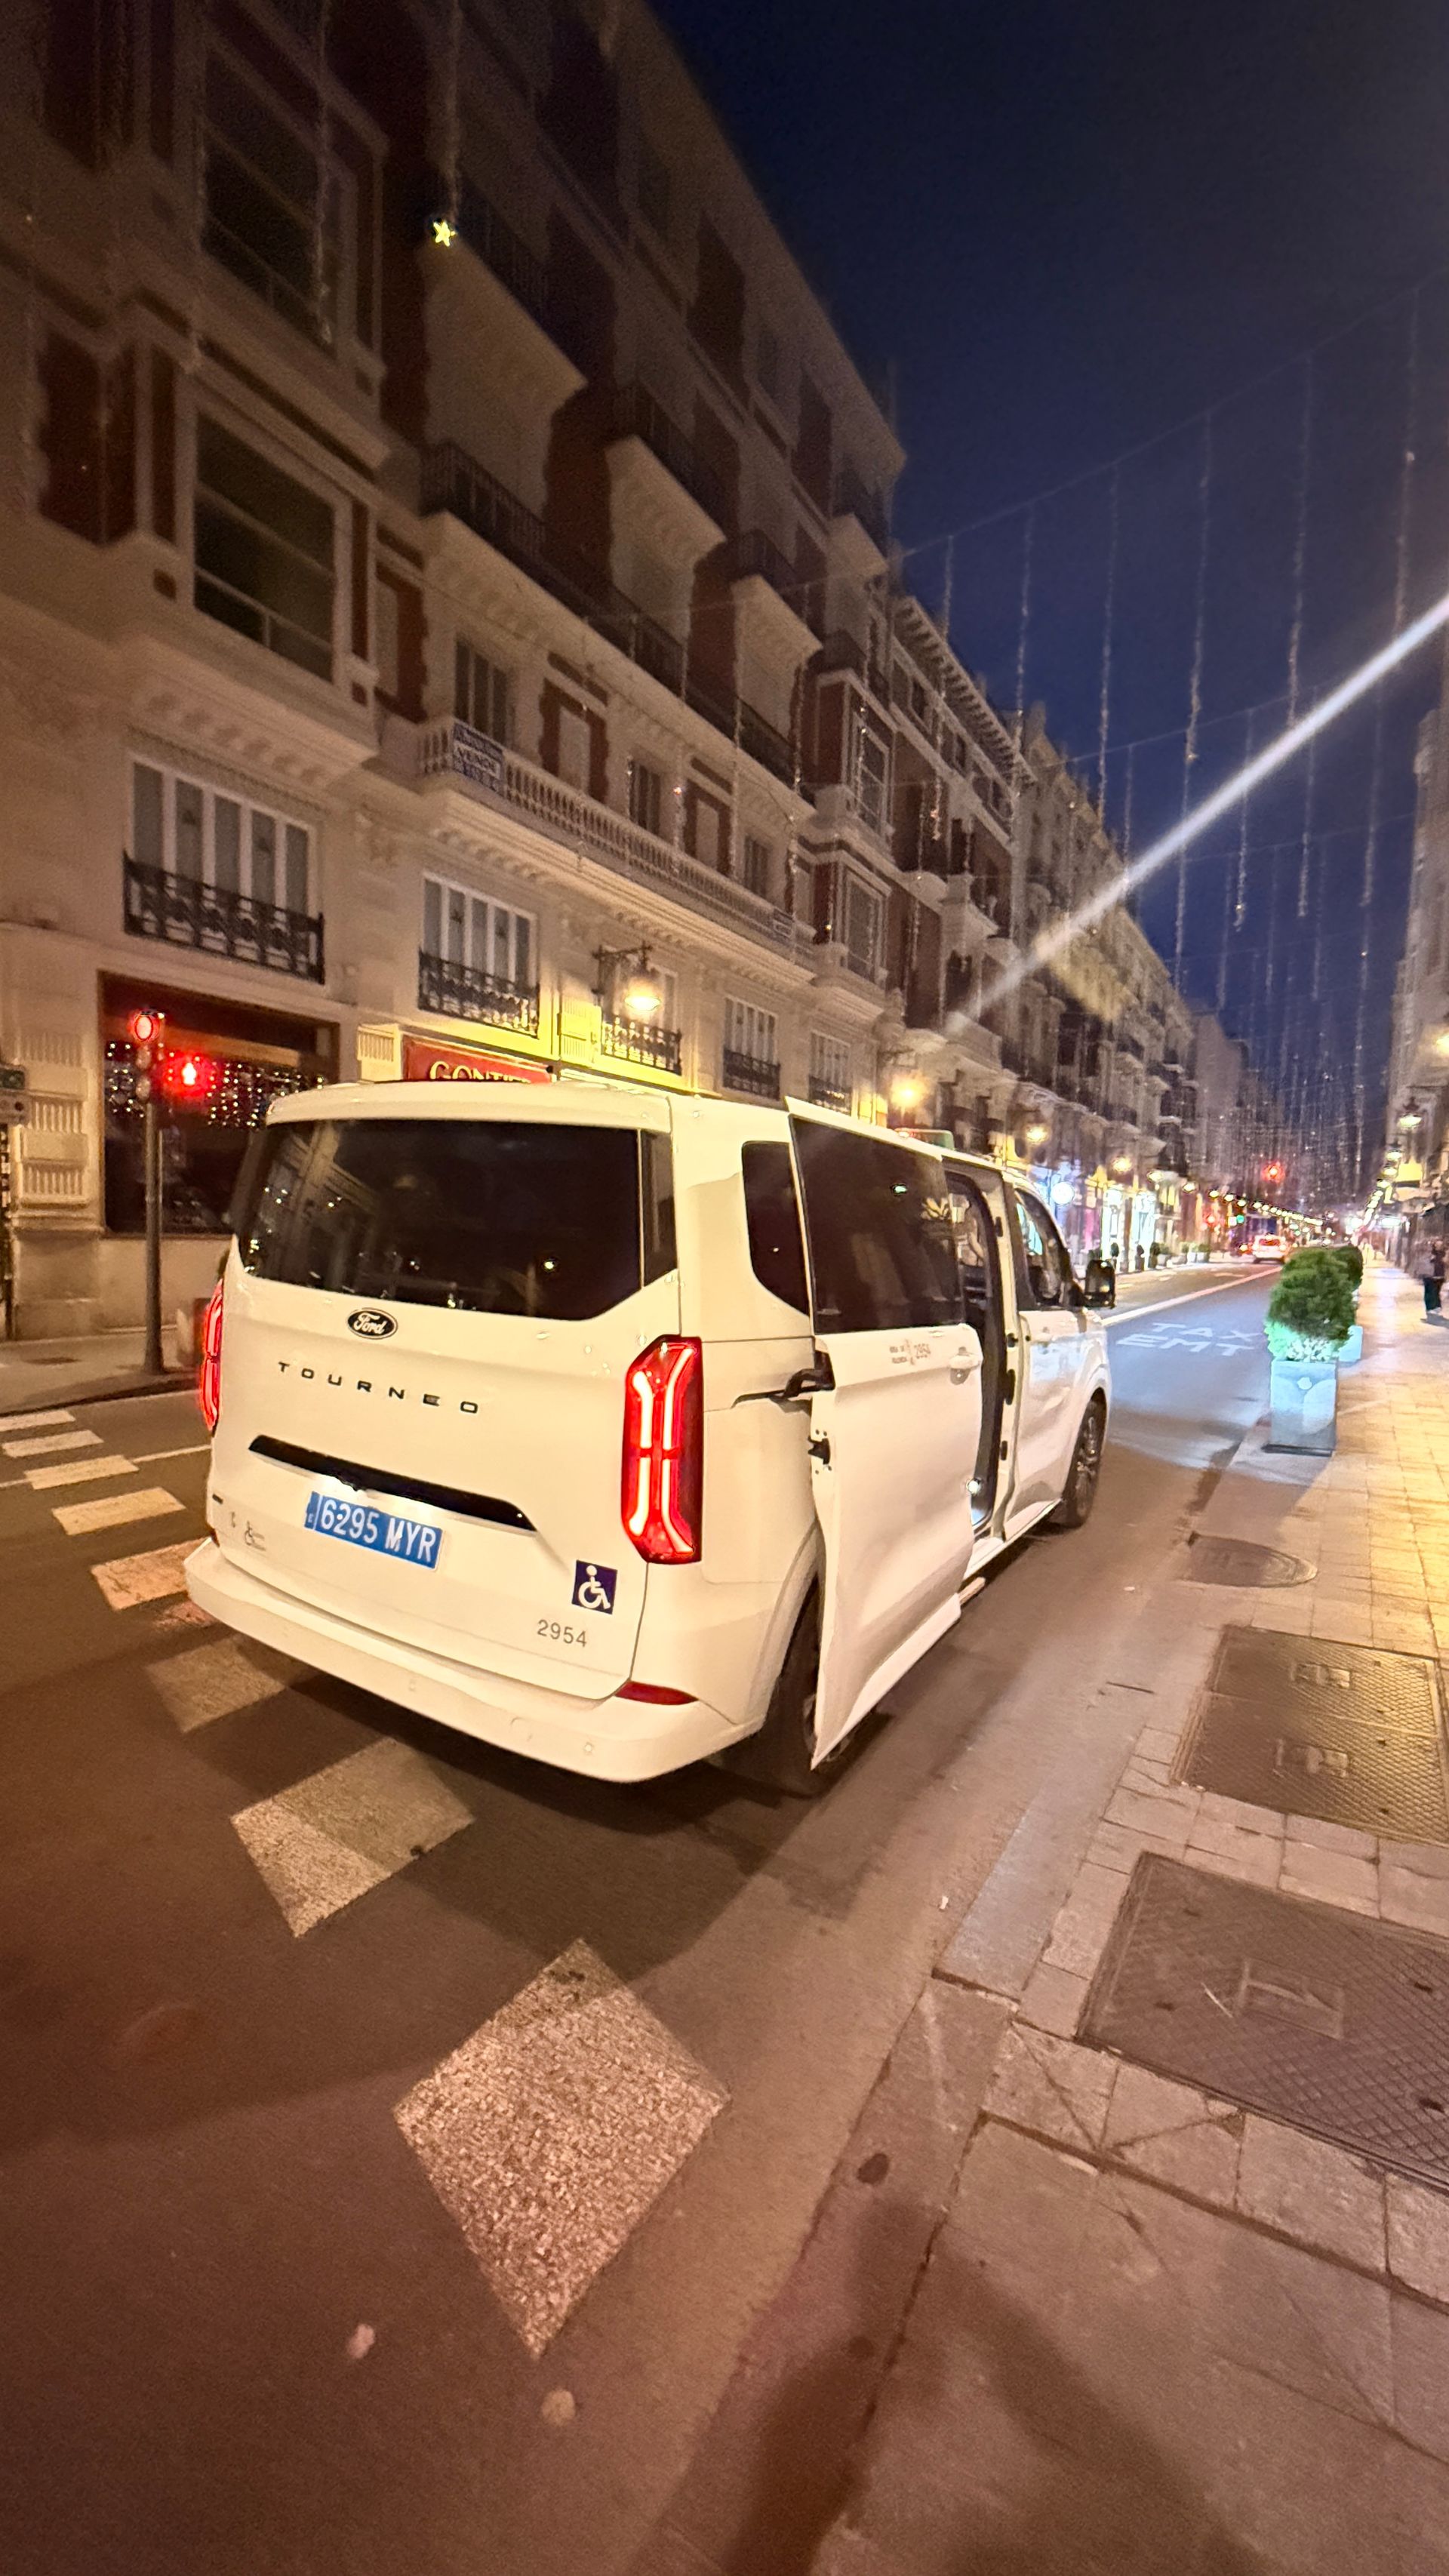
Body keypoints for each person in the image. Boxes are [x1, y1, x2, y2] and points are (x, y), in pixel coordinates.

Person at [1424, 1239, 1446, 1316]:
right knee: (1430, 1292)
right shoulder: (1430, 1253)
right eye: (1437, 1245)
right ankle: (1430, 1307)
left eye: (1440, 1245)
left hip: (1440, 1275)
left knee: (1436, 1292)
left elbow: (1445, 1263)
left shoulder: (1444, 1254)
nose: (1439, 1246)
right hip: (1430, 1275)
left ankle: (1436, 1306)